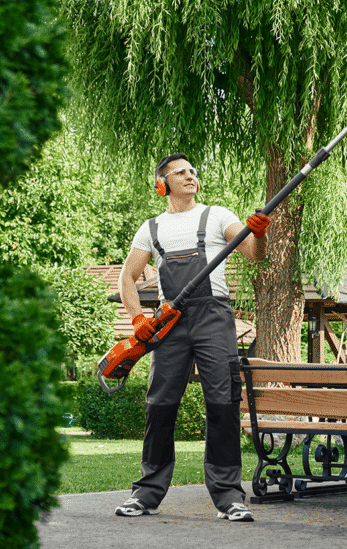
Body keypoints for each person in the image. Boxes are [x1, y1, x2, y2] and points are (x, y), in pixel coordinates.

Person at [114, 153, 269, 522]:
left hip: (213, 316)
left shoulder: (217, 216)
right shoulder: (150, 228)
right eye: (180, 172)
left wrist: (259, 234)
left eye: (193, 171)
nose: (190, 176)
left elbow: (254, 254)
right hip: (170, 322)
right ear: (161, 184)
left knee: (222, 401)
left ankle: (229, 496)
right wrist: (138, 319)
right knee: (160, 404)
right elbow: (127, 279)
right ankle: (146, 494)